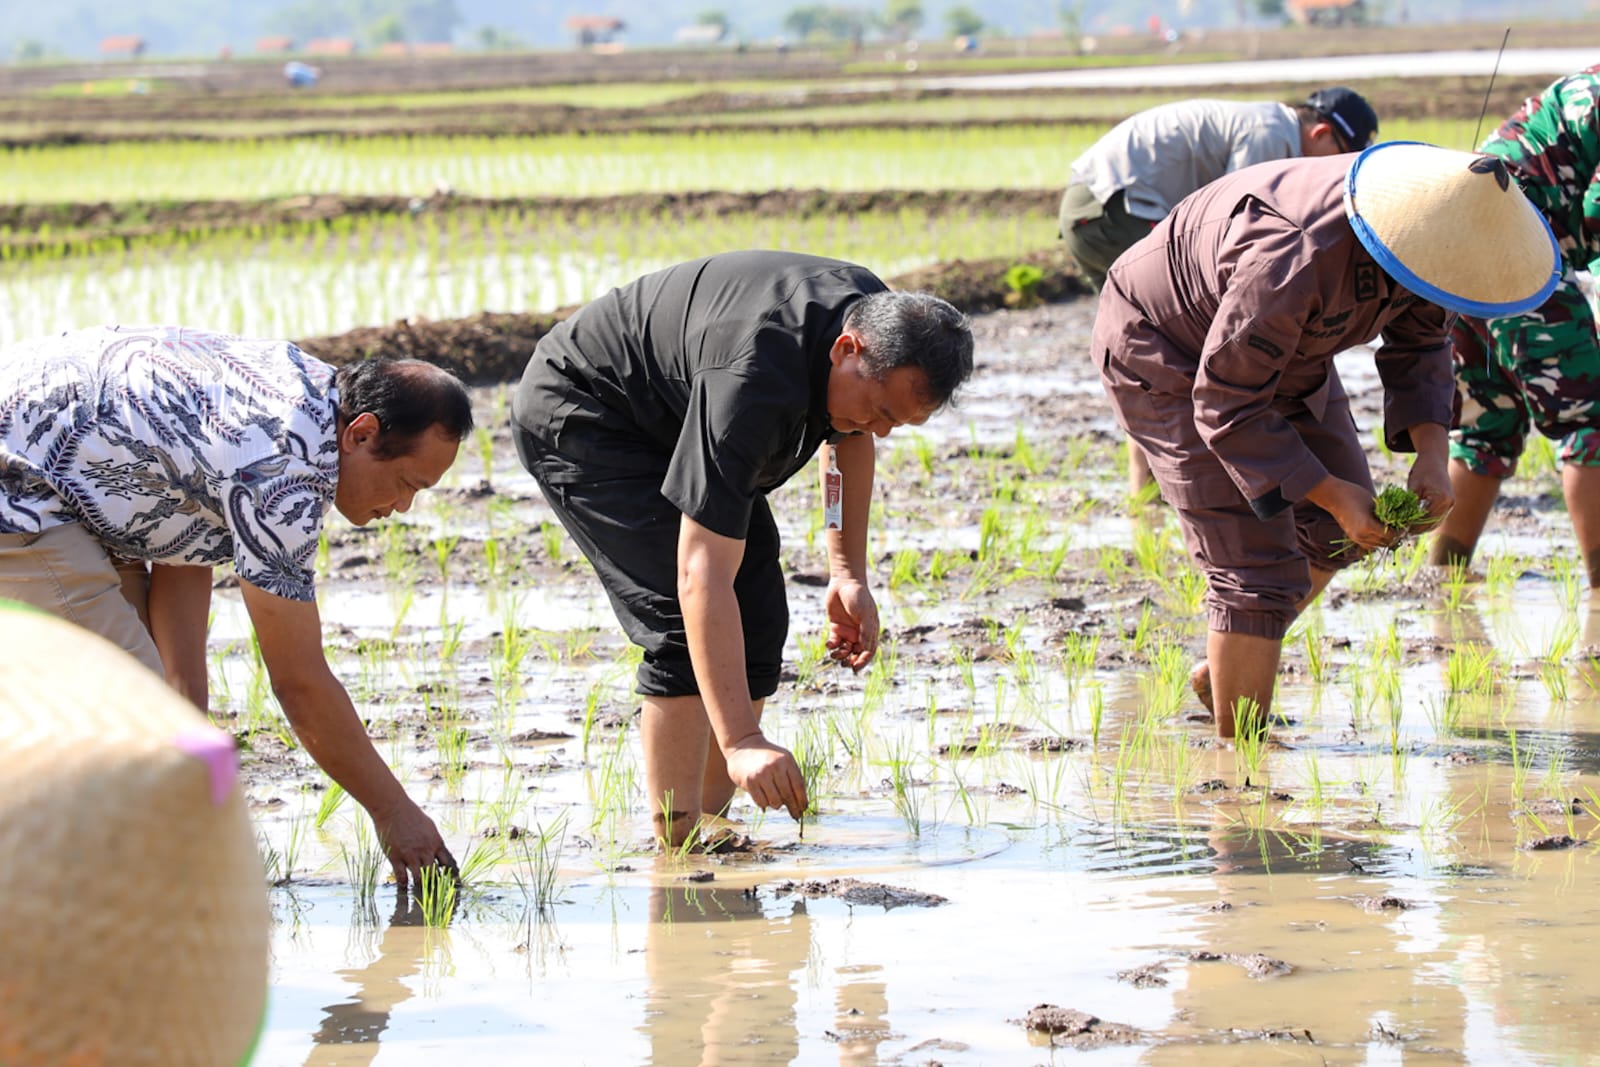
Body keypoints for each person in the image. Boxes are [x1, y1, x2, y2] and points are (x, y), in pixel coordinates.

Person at [1092, 143, 1559, 739]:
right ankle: (1243, 763)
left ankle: (1233, 662)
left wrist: (1433, 456)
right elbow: (1227, 402)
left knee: (1341, 535)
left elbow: (1422, 345)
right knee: (1253, 567)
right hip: (1167, 350)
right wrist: (1334, 494)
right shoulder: (1293, 256)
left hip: (1282, 351)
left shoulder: (1433, 244)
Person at [511, 251, 974, 847]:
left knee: (758, 617)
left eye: (899, 424)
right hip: (589, 410)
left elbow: (850, 437)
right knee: (679, 622)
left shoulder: (878, 321)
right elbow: (699, 575)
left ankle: (711, 826)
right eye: (882, 412)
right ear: (846, 349)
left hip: (681, 410)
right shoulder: (754, 380)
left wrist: (847, 572)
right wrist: (742, 742)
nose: (880, 430)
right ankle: (676, 843)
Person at [0, 325, 473, 886]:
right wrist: (394, 812)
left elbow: (181, 546)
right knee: (137, 723)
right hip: (21, 485)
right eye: (406, 482)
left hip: (83, 477)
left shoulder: (313, 396)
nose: (403, 506)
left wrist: (191, 721)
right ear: (363, 433)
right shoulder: (282, 472)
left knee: (161, 724)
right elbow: (298, 681)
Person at [1060, 87, 1380, 496]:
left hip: (1097, 209)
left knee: (1153, 347)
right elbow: (1245, 227)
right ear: (1320, 134)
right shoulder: (1268, 136)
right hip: (1113, 208)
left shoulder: (1270, 127)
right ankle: (1194, 484)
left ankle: (1147, 490)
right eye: (1342, 157)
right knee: (1180, 338)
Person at [1427, 65, 1600, 590]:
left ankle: (1444, 580)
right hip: (1515, 248)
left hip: (1449, 249)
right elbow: (1595, 214)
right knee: (1591, 421)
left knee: (1487, 426)